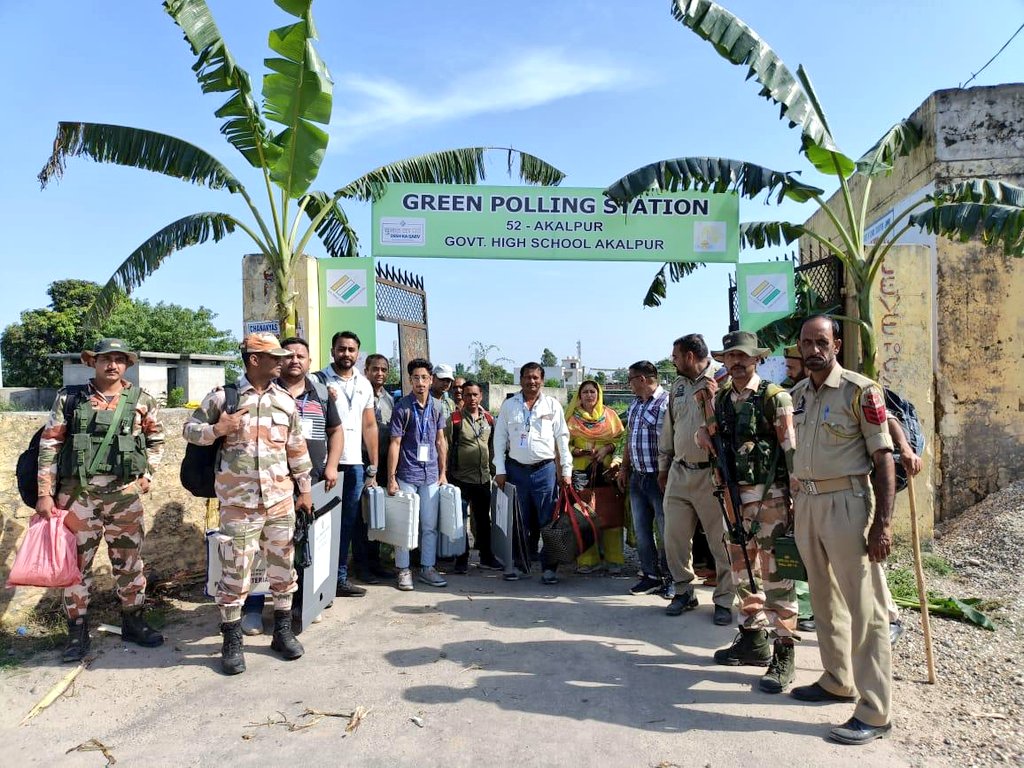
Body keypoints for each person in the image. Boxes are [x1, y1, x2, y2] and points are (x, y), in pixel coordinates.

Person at [789, 314, 896, 745]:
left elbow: (883, 457)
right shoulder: (798, 395)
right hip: (808, 503)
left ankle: (875, 712)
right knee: (822, 597)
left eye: (821, 342)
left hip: (848, 504)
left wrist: (882, 524)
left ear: (836, 344)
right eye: (806, 342)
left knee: (864, 609)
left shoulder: (860, 390)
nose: (813, 349)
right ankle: (837, 678)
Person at [184, 333, 313, 675]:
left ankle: (282, 632)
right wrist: (217, 429)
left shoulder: (285, 401)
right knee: (234, 575)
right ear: (254, 360)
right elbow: (189, 430)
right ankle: (232, 640)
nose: (282, 362)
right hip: (238, 504)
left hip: (280, 501)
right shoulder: (222, 397)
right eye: (275, 357)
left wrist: (304, 492)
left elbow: (297, 449)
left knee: (284, 569)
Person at [36, 338, 166, 662]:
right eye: (106, 359)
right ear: (92, 362)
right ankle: (77, 633)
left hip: (124, 497)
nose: (112, 365)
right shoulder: (70, 398)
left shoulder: (142, 401)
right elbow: (50, 445)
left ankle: (133, 623)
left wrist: (147, 474)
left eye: (119, 359)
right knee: (77, 569)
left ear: (127, 365)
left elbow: (157, 439)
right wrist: (44, 493)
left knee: (130, 564)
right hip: (78, 497)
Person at [697, 331, 799, 694]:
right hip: (732, 500)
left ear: (756, 359)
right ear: (724, 361)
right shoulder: (721, 399)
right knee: (742, 572)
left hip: (770, 500)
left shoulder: (775, 398)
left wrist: (796, 503)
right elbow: (714, 439)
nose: (737, 363)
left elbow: (792, 453)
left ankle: (784, 650)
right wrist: (704, 438)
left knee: (775, 577)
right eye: (731, 357)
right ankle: (754, 638)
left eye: (743, 357)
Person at [240, 337, 343, 635]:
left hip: (308, 484)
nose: (295, 360)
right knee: (259, 551)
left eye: (302, 356)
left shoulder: (321, 394)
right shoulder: (260, 390)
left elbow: (336, 431)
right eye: (289, 356)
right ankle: (254, 609)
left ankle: (303, 604)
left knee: (298, 547)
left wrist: (331, 466)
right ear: (279, 360)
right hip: (263, 487)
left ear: (310, 362)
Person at [658, 334, 735, 624]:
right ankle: (683, 591)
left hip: (712, 473)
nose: (673, 360)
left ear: (690, 356)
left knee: (721, 541)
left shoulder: (723, 379)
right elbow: (670, 428)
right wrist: (664, 466)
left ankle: (725, 600)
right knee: (674, 537)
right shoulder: (677, 385)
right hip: (679, 471)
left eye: (676, 355)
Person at [493, 362, 572, 585]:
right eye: (528, 377)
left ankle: (550, 568)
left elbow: (562, 439)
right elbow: (499, 439)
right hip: (516, 471)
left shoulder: (552, 405)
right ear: (521, 380)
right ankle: (520, 564)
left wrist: (565, 470)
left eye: (536, 377)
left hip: (545, 471)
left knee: (549, 520)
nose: (532, 381)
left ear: (543, 380)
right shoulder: (509, 406)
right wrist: (500, 470)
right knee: (520, 521)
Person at [319, 331, 378, 597]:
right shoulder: (317, 381)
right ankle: (317, 583)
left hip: (354, 464)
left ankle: (339, 578)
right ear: (332, 351)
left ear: (358, 353)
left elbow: (369, 424)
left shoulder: (364, 384)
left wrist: (373, 464)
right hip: (325, 463)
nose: (346, 354)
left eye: (351, 350)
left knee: (347, 524)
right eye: (341, 349)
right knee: (321, 525)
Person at [387, 358, 449, 590]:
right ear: (410, 380)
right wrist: (391, 478)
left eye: (424, 378)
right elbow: (395, 443)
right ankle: (403, 569)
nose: (420, 382)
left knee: (429, 525)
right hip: (407, 473)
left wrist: (443, 473)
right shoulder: (402, 407)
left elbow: (441, 441)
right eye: (416, 378)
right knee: (405, 524)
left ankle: (427, 568)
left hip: (431, 474)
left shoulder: (438, 407)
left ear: (431, 380)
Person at [619, 361, 670, 596]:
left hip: (659, 478)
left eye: (630, 379)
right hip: (638, 477)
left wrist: (664, 473)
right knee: (641, 530)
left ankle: (671, 578)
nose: (628, 384)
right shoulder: (636, 405)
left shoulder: (666, 403)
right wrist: (624, 468)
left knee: (666, 530)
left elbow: (670, 443)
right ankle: (650, 575)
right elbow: (630, 438)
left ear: (641, 379)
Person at [566, 380, 625, 575]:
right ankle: (587, 560)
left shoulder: (610, 415)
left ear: (598, 395)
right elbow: (562, 444)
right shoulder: (571, 417)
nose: (589, 395)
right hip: (581, 472)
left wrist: (607, 448)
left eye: (593, 392)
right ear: (579, 395)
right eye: (585, 392)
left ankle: (614, 559)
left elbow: (620, 439)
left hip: (607, 471)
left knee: (611, 514)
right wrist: (579, 451)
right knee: (584, 517)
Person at [445, 380, 502, 573]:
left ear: (481, 396)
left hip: (483, 478)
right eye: (467, 394)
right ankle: (461, 559)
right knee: (460, 521)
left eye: (475, 395)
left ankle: (486, 557)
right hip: (460, 478)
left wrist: (495, 472)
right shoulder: (454, 420)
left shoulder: (489, 420)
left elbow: (493, 447)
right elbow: (446, 447)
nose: (471, 398)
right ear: (462, 396)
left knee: (484, 521)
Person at [358, 353, 397, 581]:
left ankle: (376, 562)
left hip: (382, 464)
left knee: (378, 515)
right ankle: (362, 565)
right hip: (363, 462)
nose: (379, 373)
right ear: (367, 370)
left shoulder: (390, 399)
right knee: (363, 517)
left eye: (383, 369)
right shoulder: (360, 394)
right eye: (375, 369)